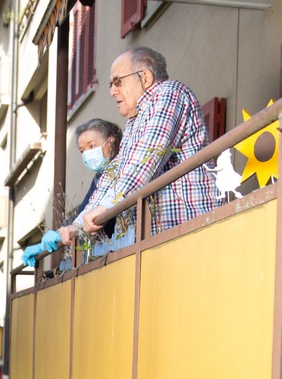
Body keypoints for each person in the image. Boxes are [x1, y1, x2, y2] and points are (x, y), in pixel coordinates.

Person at [79, 47, 221, 239]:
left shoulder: (169, 93)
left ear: (145, 77)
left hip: (188, 230)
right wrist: (78, 223)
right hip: (163, 238)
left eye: (118, 82)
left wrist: (104, 207)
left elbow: (144, 161)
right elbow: (115, 174)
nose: (112, 91)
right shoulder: (135, 120)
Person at [22, 118, 122, 267]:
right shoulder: (99, 178)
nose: (87, 154)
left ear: (111, 141)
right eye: (82, 151)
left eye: (92, 146)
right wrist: (57, 233)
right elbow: (84, 210)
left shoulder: (122, 169)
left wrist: (62, 232)